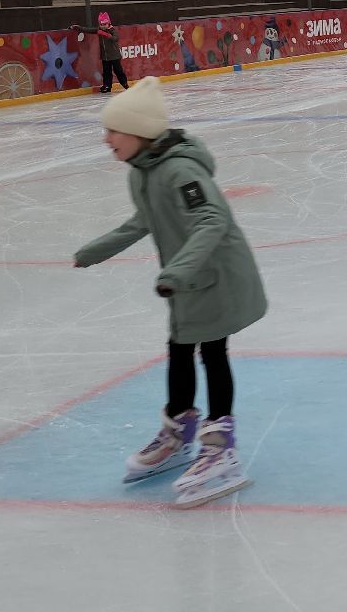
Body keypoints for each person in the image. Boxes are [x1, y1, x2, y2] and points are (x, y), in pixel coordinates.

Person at [72, 76, 269, 508]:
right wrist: (95, 251)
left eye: (113, 130)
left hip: (214, 274)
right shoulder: (143, 173)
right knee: (180, 348)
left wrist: (177, 271)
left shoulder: (180, 171)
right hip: (186, 280)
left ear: (138, 131)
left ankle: (220, 447)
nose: (106, 139)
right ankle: (179, 432)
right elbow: (143, 220)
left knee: (212, 351)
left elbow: (211, 220)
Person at [71, 11, 129, 92]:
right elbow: (88, 30)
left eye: (105, 24)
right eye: (101, 24)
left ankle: (124, 84)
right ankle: (107, 86)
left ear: (109, 23)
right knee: (106, 72)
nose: (103, 26)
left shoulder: (112, 30)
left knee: (118, 71)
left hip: (114, 56)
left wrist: (106, 34)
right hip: (105, 56)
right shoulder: (99, 30)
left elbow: (115, 38)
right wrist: (78, 27)